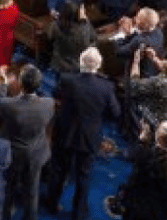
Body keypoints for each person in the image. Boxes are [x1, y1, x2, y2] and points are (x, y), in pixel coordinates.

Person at [43, 47, 121, 220]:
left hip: (65, 133)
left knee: (58, 171)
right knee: (83, 176)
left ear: (81, 63)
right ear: (99, 65)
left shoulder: (67, 80)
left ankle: (51, 203)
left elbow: (55, 94)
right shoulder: (106, 87)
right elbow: (116, 113)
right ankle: (79, 212)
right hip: (89, 137)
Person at [0, 64, 54, 220]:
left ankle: (4, 216)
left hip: (13, 154)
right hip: (36, 153)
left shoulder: (10, 106)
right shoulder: (49, 104)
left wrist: (5, 82)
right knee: (32, 191)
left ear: (20, 84)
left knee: (8, 189)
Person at [118, 120, 167, 220]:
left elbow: (129, 155)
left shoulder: (148, 156)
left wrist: (141, 140)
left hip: (138, 208)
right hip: (158, 213)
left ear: (159, 137)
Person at [126, 46, 167, 135]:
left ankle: (139, 134)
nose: (162, 60)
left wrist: (136, 62)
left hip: (162, 125)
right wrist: (153, 58)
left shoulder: (160, 83)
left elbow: (134, 84)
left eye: (164, 59)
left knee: (136, 101)